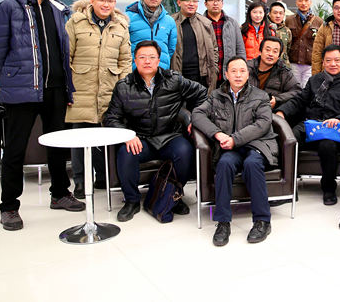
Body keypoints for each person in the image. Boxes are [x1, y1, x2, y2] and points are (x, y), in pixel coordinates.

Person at [0, 0, 84, 231]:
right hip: (22, 91)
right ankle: (9, 207)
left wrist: (66, 86)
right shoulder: (9, 7)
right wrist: (10, 81)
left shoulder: (56, 8)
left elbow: (62, 50)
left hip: (55, 88)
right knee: (15, 149)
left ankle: (59, 193)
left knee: (57, 146)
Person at [103, 40, 208, 222]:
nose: (147, 61)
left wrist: (195, 118)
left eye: (152, 57)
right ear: (135, 60)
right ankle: (132, 201)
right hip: (141, 138)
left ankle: (173, 195)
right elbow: (110, 117)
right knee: (126, 153)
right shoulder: (124, 86)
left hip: (170, 136)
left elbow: (202, 94)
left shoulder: (174, 80)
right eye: (142, 57)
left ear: (159, 60)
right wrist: (128, 135)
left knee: (185, 151)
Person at [192, 56, 278, 246]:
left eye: (242, 71)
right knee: (224, 163)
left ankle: (262, 221)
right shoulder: (216, 96)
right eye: (234, 71)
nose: (238, 75)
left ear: (248, 74)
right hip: (231, 147)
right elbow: (197, 114)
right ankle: (223, 222)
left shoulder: (260, 96)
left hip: (257, 144)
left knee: (252, 164)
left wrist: (235, 139)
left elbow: (263, 124)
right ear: (226, 74)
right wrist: (217, 134)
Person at [65, 0, 132, 199]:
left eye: (110, 1)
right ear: (92, 1)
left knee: (105, 136)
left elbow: (125, 60)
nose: (106, 4)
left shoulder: (120, 26)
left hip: (109, 90)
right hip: (81, 89)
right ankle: (80, 181)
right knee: (80, 138)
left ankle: (103, 177)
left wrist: (123, 89)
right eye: (101, 0)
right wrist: (68, 88)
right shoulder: (76, 23)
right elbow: (66, 57)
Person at [277, 45, 340, 205]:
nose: (333, 64)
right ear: (323, 62)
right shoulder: (315, 80)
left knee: (327, 146)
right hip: (311, 125)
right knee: (289, 138)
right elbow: (299, 101)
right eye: (328, 60)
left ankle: (329, 189)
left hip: (333, 130)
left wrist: (339, 119)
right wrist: (282, 112)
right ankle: (288, 186)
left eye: (337, 60)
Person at [171, 0, 219, 91]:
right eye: (187, 0)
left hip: (202, 77)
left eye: (194, 1)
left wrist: (213, 69)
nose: (191, 4)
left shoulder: (206, 23)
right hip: (178, 75)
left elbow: (214, 49)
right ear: (179, 2)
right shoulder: (171, 22)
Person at [126, 0, 177, 69]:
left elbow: (171, 48)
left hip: (161, 71)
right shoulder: (128, 18)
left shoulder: (169, 21)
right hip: (135, 70)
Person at [203, 0, 245, 85]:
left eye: (218, 0)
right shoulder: (200, 23)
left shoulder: (232, 23)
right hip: (207, 75)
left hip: (228, 74)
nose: (215, 3)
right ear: (205, 4)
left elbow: (240, 49)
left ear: (222, 3)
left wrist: (241, 69)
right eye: (211, 0)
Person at [248, 37, 300, 110]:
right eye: (267, 50)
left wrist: (277, 99)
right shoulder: (247, 68)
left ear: (279, 56)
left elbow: (297, 91)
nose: (270, 54)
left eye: (275, 51)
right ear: (260, 51)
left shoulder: (283, 72)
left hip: (270, 111)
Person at [285, 0, 323, 87]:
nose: (303, 3)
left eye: (306, 0)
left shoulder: (319, 21)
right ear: (296, 3)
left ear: (310, 2)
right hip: (294, 62)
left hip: (310, 63)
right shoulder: (289, 20)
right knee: (294, 89)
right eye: (300, 0)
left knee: (307, 89)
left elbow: (321, 44)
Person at [268, 1, 292, 68]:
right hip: (268, 65)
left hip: (283, 66)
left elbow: (288, 49)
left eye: (281, 13)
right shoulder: (264, 28)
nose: (278, 16)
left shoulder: (287, 31)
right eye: (275, 13)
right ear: (269, 14)